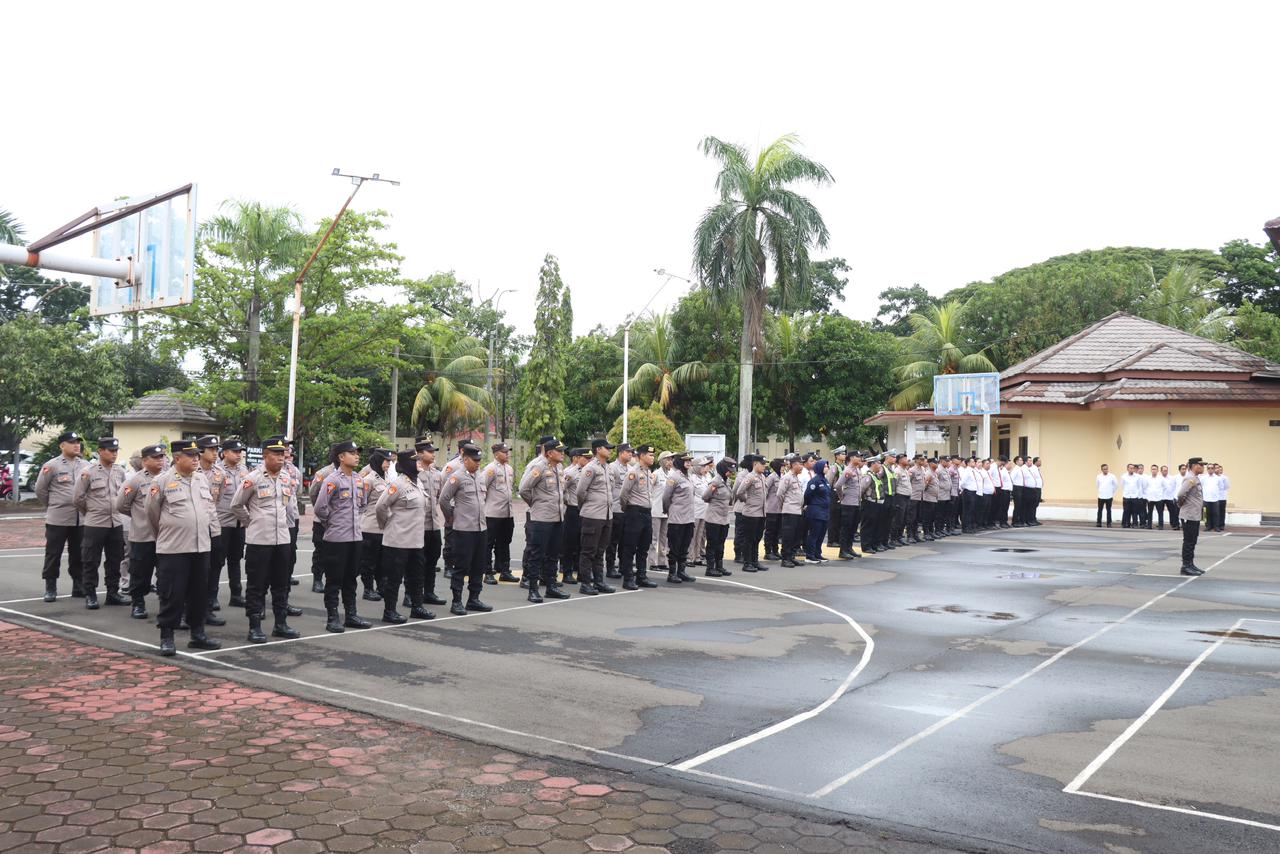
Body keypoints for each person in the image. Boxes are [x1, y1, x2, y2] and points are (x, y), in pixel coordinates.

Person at [147, 439, 221, 655]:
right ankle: (167, 636)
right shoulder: (162, 481)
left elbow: (209, 509)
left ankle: (198, 634)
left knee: (199, 593)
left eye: (197, 455)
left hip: (201, 546)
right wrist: (166, 534)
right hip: (174, 548)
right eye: (191, 455)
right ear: (177, 458)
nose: (196, 459)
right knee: (172, 594)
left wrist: (213, 534)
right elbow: (152, 514)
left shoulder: (201, 479)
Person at [231, 436, 301, 642]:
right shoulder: (253, 478)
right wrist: (251, 522)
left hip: (282, 539)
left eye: (282, 454)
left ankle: (280, 624)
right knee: (256, 585)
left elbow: (288, 506)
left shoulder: (286, 478)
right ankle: (254, 626)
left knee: (281, 584)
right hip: (259, 540)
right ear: (265, 455)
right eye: (276, 454)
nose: (281, 457)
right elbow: (236, 505)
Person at [312, 441, 371, 633]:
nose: (357, 456)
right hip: (336, 539)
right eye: (352, 453)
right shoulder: (332, 480)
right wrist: (332, 523)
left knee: (351, 579)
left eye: (357, 453)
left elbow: (363, 505)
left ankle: (351, 615)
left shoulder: (359, 479)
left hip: (355, 537)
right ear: (341, 457)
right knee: (334, 580)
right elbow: (320, 507)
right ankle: (333, 617)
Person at [376, 450, 436, 622]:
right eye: (415, 460)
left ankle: (417, 607)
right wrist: (386, 525)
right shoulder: (398, 484)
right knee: (394, 578)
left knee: (417, 576)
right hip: (398, 541)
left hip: (416, 541)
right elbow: (381, 506)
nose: (418, 463)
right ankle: (389, 611)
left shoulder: (418, 482)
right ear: (407, 464)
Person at [438, 444, 494, 615]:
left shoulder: (480, 476)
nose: (478, 463)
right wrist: (450, 517)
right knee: (461, 566)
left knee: (478, 566)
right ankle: (456, 601)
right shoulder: (457, 477)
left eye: (479, 460)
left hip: (480, 528)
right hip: (464, 530)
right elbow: (444, 499)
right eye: (475, 460)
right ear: (465, 459)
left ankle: (473, 599)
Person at [73, 437, 128, 610]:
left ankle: (112, 593)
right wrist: (91, 512)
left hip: (115, 522)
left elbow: (122, 496)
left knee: (115, 559)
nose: (114, 454)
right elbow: (78, 498)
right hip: (95, 523)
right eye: (111, 451)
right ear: (100, 451)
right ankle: (90, 594)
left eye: (116, 451)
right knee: (91, 560)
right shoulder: (88, 472)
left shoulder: (120, 472)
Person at [36, 432, 90, 602]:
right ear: (62, 446)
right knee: (53, 554)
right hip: (58, 518)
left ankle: (78, 585)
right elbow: (40, 490)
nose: (76, 445)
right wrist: (53, 505)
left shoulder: (86, 465)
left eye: (78, 442)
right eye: (72, 442)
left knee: (78, 554)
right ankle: (50, 587)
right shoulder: (52, 465)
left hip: (80, 518)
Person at [118, 444, 167, 619]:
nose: (160, 460)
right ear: (145, 461)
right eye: (156, 458)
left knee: (166, 573)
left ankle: (165, 604)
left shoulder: (169, 478)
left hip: (165, 536)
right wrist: (140, 518)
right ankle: (138, 603)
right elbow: (121, 505)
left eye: (162, 457)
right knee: (140, 572)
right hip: (143, 536)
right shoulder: (135, 481)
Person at [519, 437, 569, 603]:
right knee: (537, 554)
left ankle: (551, 587)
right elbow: (524, 489)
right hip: (541, 518)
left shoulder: (559, 467)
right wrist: (536, 504)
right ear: (549, 453)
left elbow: (562, 491)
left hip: (557, 516)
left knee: (553, 554)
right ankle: (533, 590)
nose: (562, 454)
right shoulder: (539, 467)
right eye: (559, 451)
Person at [576, 439, 616, 595]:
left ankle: (599, 582)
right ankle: (586, 583)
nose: (610, 450)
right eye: (607, 448)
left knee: (600, 551)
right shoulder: (590, 468)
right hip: (592, 515)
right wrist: (587, 507)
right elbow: (580, 491)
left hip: (606, 515)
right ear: (598, 449)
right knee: (588, 551)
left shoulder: (608, 468)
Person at [214, 439, 250, 609]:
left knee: (235, 560)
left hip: (239, 523)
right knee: (217, 562)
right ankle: (211, 597)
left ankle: (236, 594)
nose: (238, 455)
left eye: (240, 452)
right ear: (225, 453)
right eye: (235, 451)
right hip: (222, 522)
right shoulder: (217, 471)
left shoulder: (244, 470)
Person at [414, 439, 450, 606]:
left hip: (434, 525)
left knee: (432, 560)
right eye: (429, 451)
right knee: (415, 562)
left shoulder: (437, 474)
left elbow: (441, 497)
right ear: (420, 454)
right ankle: (411, 594)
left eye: (433, 451)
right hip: (418, 526)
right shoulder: (414, 474)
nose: (433, 454)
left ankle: (429, 592)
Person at [618, 445, 659, 590]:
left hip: (647, 512)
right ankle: (628, 578)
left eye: (653, 455)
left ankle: (641, 576)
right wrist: (627, 508)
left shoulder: (648, 472)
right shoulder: (633, 472)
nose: (652, 458)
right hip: (634, 512)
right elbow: (623, 494)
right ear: (641, 456)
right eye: (650, 455)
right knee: (630, 547)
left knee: (644, 547)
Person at [358, 449, 393, 601]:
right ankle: (368, 589)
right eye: (386, 460)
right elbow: (360, 503)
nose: (389, 463)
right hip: (370, 526)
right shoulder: (368, 480)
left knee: (383, 562)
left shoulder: (387, 478)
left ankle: (381, 587)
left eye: (390, 461)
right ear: (378, 461)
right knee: (368, 561)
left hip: (384, 527)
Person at [482, 442, 515, 586]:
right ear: (496, 454)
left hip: (507, 513)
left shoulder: (509, 469)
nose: (507, 454)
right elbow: (482, 488)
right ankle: (488, 572)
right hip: (492, 513)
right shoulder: (490, 469)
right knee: (488, 544)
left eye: (508, 451)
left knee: (505, 542)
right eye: (504, 452)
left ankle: (504, 571)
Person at [662, 451, 698, 584]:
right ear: (679, 462)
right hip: (677, 518)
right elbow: (666, 497)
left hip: (689, 518)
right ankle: (672, 573)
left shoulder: (688, 476)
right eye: (686, 460)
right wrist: (668, 511)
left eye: (689, 460)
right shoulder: (674, 477)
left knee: (684, 546)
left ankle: (681, 572)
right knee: (675, 547)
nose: (689, 463)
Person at [700, 457, 735, 577]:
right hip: (713, 518)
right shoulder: (716, 482)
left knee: (721, 544)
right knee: (712, 544)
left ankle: (719, 566)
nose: (730, 473)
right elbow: (705, 496)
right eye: (729, 470)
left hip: (724, 518)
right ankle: (710, 568)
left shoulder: (727, 481)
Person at [559, 447, 587, 584]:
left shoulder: (590, 471)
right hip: (573, 510)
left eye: (590, 458)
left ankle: (582, 573)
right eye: (586, 458)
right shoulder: (570, 473)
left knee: (583, 543)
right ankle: (567, 572)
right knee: (569, 543)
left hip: (586, 510)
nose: (588, 460)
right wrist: (567, 501)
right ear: (577, 458)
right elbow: (562, 489)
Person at [736, 455, 768, 572]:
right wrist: (747, 501)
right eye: (762, 464)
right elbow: (739, 492)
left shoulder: (762, 477)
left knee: (757, 539)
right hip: (751, 513)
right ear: (755, 464)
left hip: (761, 513)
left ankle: (755, 561)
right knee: (749, 539)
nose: (764, 466)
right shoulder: (750, 477)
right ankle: (747, 563)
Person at [605, 443, 633, 577]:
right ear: (621, 453)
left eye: (631, 452)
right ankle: (610, 567)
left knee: (626, 541)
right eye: (628, 452)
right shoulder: (612, 467)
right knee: (612, 541)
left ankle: (623, 566)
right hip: (616, 509)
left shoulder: (631, 469)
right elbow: (609, 489)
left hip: (628, 509)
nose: (631, 454)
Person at [307, 456, 334, 593]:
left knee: (337, 553)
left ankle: (333, 581)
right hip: (322, 521)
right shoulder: (323, 473)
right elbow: (313, 493)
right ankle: (317, 579)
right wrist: (321, 511)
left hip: (340, 522)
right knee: (321, 551)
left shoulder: (351, 475)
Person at [1176, 457, 1206, 575]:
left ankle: (1190, 564)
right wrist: (1181, 504)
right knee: (1188, 541)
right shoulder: (1190, 478)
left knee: (1192, 540)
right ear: (1194, 466)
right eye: (1201, 465)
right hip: (1189, 515)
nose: (1203, 467)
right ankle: (1185, 566)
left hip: (1194, 515)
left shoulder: (1195, 478)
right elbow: (1180, 494)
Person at [777, 455, 804, 567]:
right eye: (800, 464)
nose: (802, 466)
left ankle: (791, 557)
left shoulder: (796, 477)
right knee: (788, 536)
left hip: (797, 511)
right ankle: (785, 558)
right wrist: (784, 507)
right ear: (793, 465)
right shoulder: (787, 477)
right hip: (789, 511)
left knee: (795, 536)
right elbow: (780, 494)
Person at [834, 453, 862, 559]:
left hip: (856, 502)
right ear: (852, 458)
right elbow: (837, 485)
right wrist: (841, 497)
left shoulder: (857, 470)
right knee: (846, 528)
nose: (860, 459)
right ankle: (843, 550)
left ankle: (849, 548)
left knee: (853, 528)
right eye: (857, 457)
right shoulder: (848, 471)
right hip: (848, 503)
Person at [802, 459, 832, 562]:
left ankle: (817, 553)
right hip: (816, 511)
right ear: (820, 468)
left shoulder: (825, 480)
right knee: (814, 534)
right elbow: (807, 495)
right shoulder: (815, 481)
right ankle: (810, 555)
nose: (827, 468)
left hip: (825, 511)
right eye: (825, 466)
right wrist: (810, 504)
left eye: (827, 466)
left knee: (821, 534)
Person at [649, 451, 672, 572]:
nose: (670, 462)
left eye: (671, 459)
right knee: (654, 538)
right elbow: (648, 489)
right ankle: (653, 562)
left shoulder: (671, 475)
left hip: (666, 511)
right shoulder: (656, 474)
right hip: (656, 510)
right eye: (668, 459)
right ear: (662, 461)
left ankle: (662, 561)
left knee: (664, 538)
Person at [859, 459, 888, 553]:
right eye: (878, 463)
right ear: (872, 464)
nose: (880, 465)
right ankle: (866, 546)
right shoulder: (868, 476)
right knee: (868, 526)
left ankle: (874, 544)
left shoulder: (876, 476)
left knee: (876, 525)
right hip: (869, 503)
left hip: (877, 503)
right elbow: (861, 490)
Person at [688, 456, 709, 567]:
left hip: (704, 511)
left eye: (706, 466)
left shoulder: (705, 478)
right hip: (695, 510)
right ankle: (689, 557)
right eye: (703, 466)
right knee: (692, 535)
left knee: (700, 535)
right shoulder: (692, 479)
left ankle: (697, 557)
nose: (705, 468)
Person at [762, 458, 783, 560]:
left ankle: (775, 550)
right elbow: (765, 491)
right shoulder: (771, 477)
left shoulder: (782, 477)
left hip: (779, 509)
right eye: (782, 465)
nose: (784, 467)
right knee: (770, 531)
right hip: (771, 508)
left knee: (777, 531)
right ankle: (768, 552)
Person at [1214, 464, 1229, 532]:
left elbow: (1226, 486)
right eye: (1216, 468)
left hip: (1222, 497)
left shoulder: (1224, 477)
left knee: (1221, 512)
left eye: (1220, 469)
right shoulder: (1212, 477)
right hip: (1214, 498)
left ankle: (1221, 525)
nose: (1218, 470)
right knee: (1215, 512)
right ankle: (1214, 525)